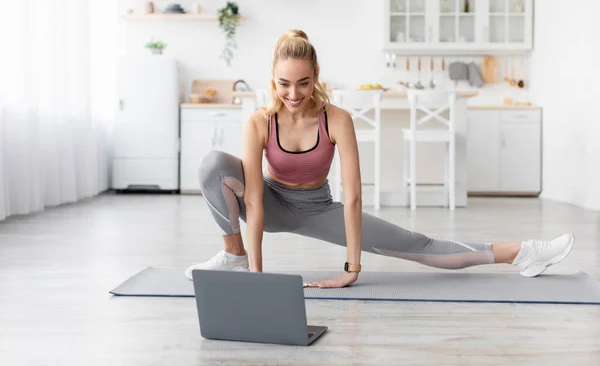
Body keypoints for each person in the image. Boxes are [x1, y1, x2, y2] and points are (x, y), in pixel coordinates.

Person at [184, 29, 575, 288]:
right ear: (273, 79)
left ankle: (525, 252)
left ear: (316, 75)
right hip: (270, 202)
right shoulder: (259, 122)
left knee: (421, 244)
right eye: (284, 83)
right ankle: (234, 255)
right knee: (213, 165)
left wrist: (352, 270)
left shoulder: (337, 119)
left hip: (320, 209)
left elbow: (353, 196)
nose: (293, 93)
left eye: (303, 82)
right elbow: (252, 199)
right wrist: (256, 277)